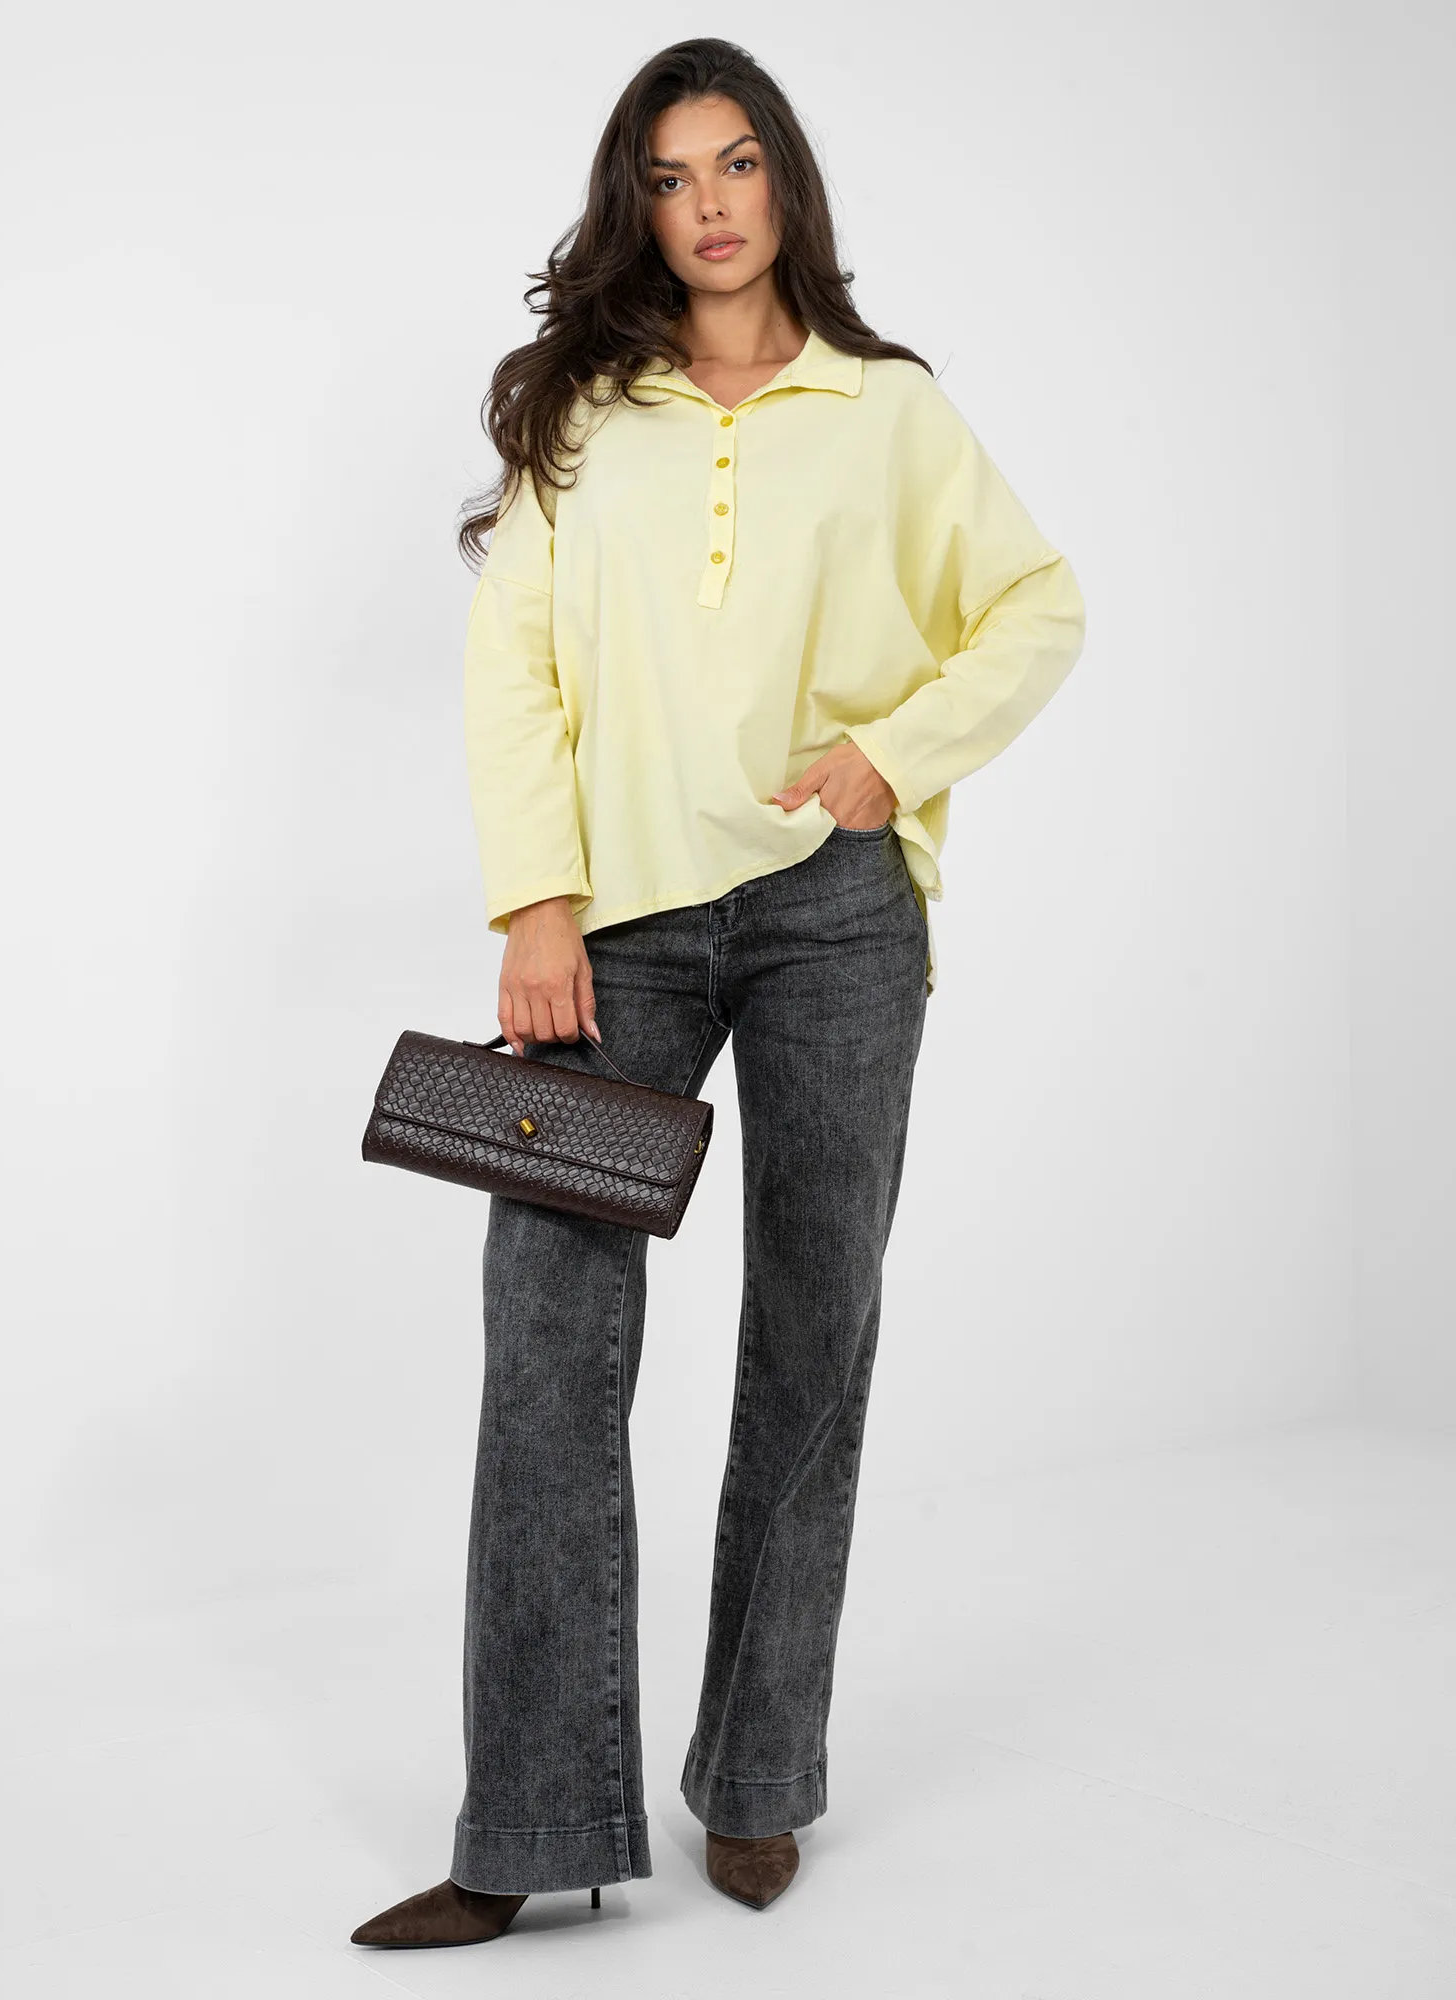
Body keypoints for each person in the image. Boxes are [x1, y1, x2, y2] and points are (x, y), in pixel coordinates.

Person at [352, 35, 1085, 1950]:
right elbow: (516, 664)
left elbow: (1038, 605)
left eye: (738, 162)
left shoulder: (887, 408)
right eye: (672, 176)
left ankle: (758, 1784)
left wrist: (895, 759)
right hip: (617, 929)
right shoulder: (582, 415)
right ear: (639, 204)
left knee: (812, 1333)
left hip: (837, 913)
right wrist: (538, 901)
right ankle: (532, 1824)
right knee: (549, 1338)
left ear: (785, 182)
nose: (710, 203)